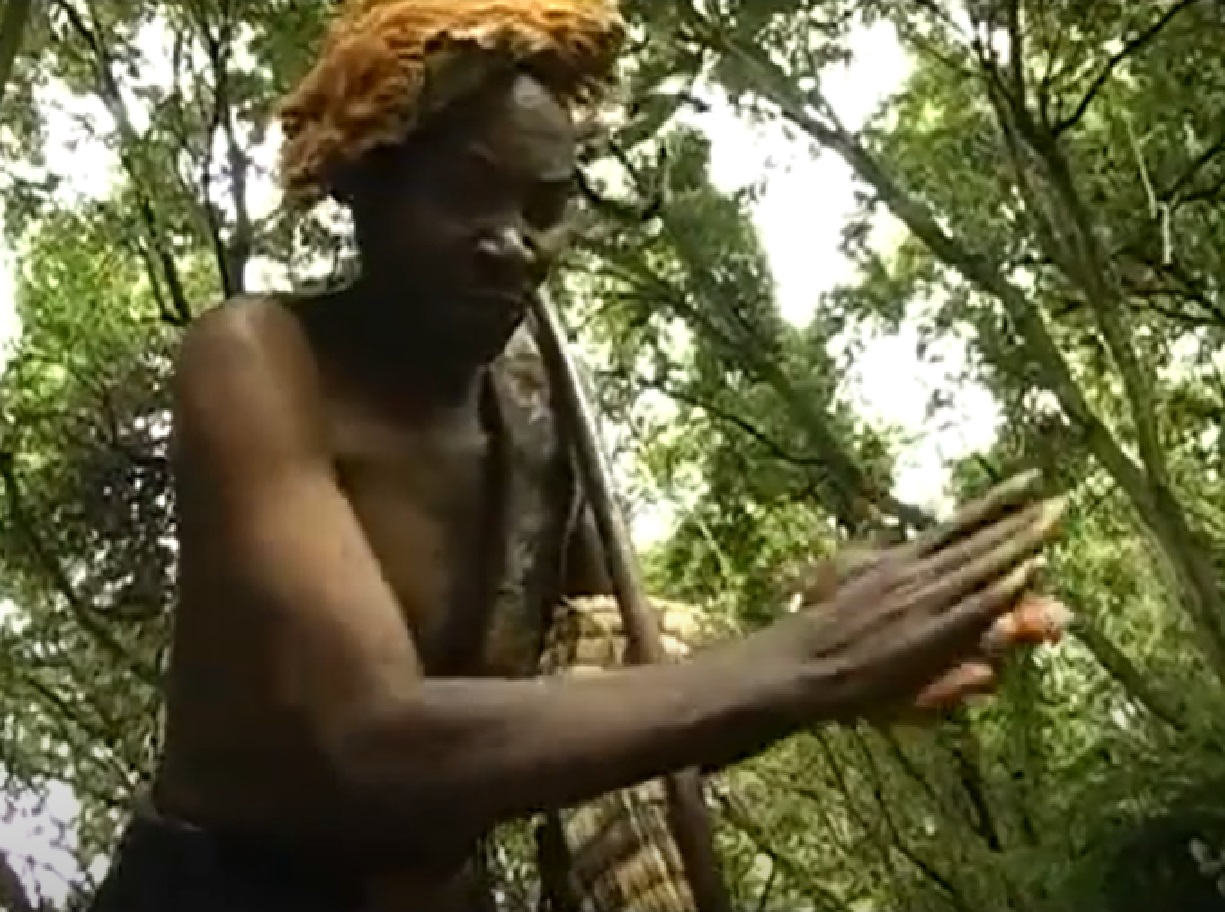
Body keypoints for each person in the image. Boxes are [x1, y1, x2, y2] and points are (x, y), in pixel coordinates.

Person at [86, 1, 1069, 910]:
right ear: (363, 181)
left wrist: (845, 644)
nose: (515, 242)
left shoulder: (532, 404)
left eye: (546, 205)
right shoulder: (257, 360)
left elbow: (609, 709)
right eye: (468, 192)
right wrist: (812, 659)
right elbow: (373, 741)